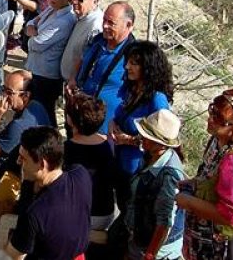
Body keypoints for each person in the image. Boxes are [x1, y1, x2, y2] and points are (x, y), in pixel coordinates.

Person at [177, 88, 233, 260]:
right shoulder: (218, 140)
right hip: (201, 240)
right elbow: (209, 176)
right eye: (212, 111)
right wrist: (192, 183)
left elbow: (231, 216)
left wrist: (188, 202)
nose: (210, 119)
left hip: (216, 249)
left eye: (219, 118)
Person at [5, 126, 92, 260]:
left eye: (23, 158)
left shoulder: (35, 213)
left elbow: (13, 256)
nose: (18, 162)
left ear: (42, 164)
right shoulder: (81, 174)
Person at [110, 41, 175, 212]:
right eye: (128, 61)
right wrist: (112, 123)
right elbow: (120, 114)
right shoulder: (132, 89)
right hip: (120, 163)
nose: (127, 67)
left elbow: (164, 138)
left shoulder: (157, 100)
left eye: (134, 63)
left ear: (148, 67)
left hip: (137, 170)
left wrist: (129, 140)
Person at [126, 109, 186, 260]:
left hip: (157, 251)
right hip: (140, 239)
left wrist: (150, 255)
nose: (142, 138)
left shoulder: (169, 176)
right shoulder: (149, 156)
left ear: (160, 144)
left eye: (147, 136)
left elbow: (164, 222)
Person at [69, 1, 136, 133]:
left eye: (111, 23)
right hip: (80, 118)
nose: (105, 26)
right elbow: (82, 59)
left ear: (128, 25)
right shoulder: (98, 40)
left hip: (104, 130)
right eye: (104, 20)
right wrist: (73, 80)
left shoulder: (134, 55)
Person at [0, 70, 51, 184]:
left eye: (9, 92)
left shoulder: (19, 126)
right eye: (4, 89)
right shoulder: (37, 106)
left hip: (17, 177)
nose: (4, 96)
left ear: (25, 95)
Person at [23, 0, 78, 122]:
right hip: (37, 69)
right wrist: (32, 31)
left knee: (44, 113)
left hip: (46, 76)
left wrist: (32, 34)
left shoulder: (65, 20)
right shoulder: (52, 9)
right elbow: (31, 22)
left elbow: (37, 44)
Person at [63, 93, 117, 237]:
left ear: (70, 119)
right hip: (105, 214)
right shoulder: (108, 145)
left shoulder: (67, 148)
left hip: (80, 216)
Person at [62, 0, 104, 88]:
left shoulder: (96, 26)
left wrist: (73, 79)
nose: (74, 2)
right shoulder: (82, 16)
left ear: (95, 2)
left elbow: (86, 59)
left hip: (74, 85)